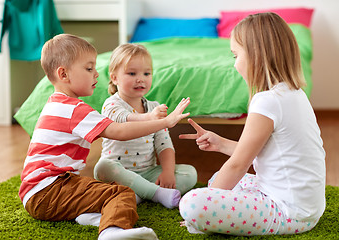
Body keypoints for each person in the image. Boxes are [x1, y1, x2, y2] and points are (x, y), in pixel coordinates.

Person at [19, 34, 191, 240]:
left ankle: (92, 216)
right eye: (89, 68)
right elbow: (119, 131)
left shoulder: (56, 104)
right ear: (64, 74)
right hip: (47, 191)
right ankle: (112, 232)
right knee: (120, 193)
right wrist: (165, 122)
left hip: (42, 189)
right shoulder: (75, 109)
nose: (96, 75)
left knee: (103, 192)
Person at [178, 12, 326, 236]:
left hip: (289, 212)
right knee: (216, 178)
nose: (235, 64)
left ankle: (205, 211)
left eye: (236, 55)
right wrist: (220, 143)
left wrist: (211, 201)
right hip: (306, 206)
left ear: (256, 56)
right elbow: (262, 152)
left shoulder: (267, 101)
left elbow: (239, 165)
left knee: (193, 203)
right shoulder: (293, 93)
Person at [93, 43, 197, 209]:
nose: (140, 78)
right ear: (114, 78)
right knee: (102, 167)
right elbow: (123, 118)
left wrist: (168, 172)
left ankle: (139, 193)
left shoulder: (153, 106)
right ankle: (155, 193)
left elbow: (164, 144)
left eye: (146, 73)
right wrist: (150, 117)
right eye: (132, 73)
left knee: (190, 173)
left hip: (148, 173)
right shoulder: (111, 104)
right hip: (119, 172)